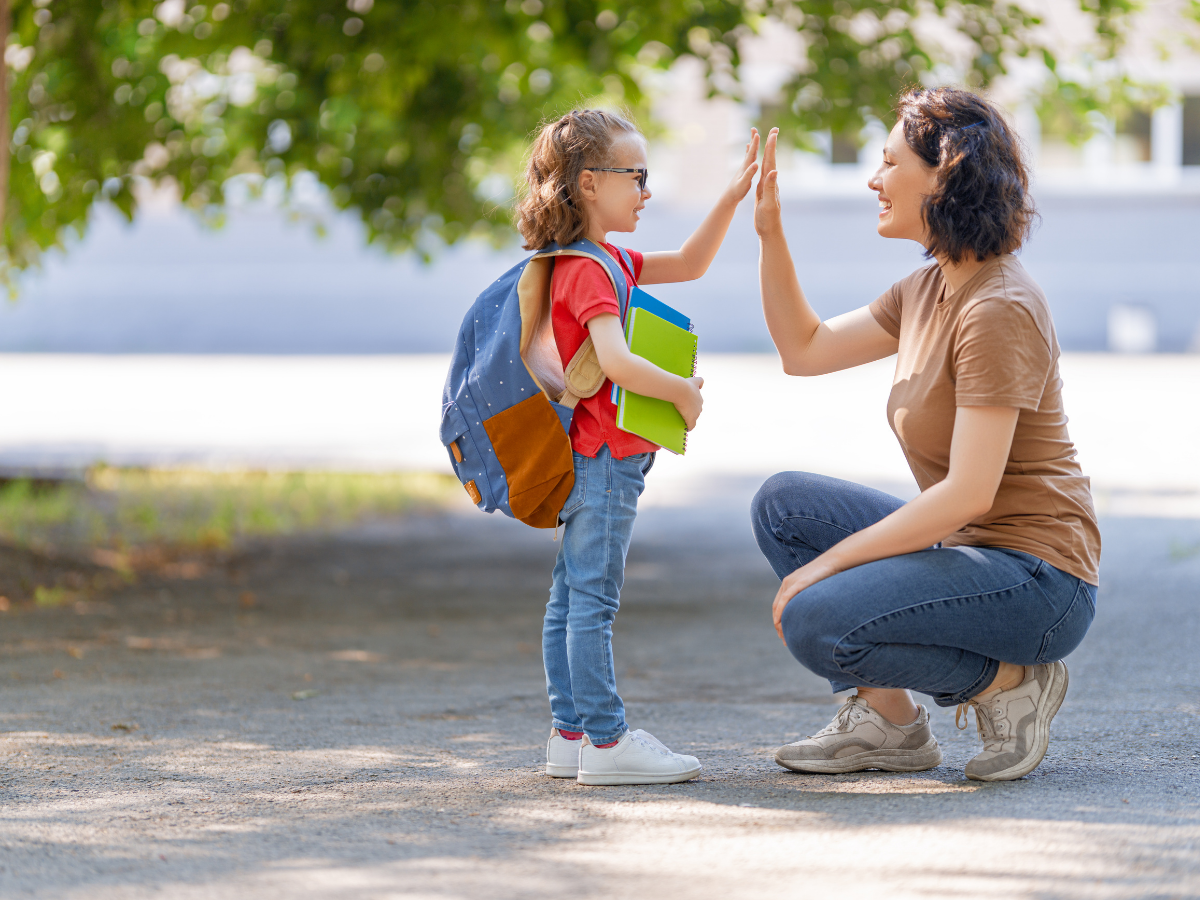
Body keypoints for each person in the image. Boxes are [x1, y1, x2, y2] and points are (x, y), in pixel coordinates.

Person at [749, 88, 1101, 782]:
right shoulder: (927, 288)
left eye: (888, 162)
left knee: (818, 618)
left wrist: (825, 567)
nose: (872, 180)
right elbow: (805, 349)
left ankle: (1009, 683)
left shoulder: (998, 307)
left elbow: (968, 492)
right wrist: (770, 233)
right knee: (784, 505)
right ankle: (891, 724)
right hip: (974, 553)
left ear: (944, 174)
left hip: (1039, 580)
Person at [516, 109, 760, 785]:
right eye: (637, 176)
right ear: (590, 183)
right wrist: (682, 393)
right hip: (602, 459)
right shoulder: (591, 270)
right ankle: (606, 740)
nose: (646, 191)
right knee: (591, 600)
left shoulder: (597, 260)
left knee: (569, 597)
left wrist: (733, 196)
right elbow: (616, 362)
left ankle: (571, 735)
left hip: (585, 458)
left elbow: (689, 263)